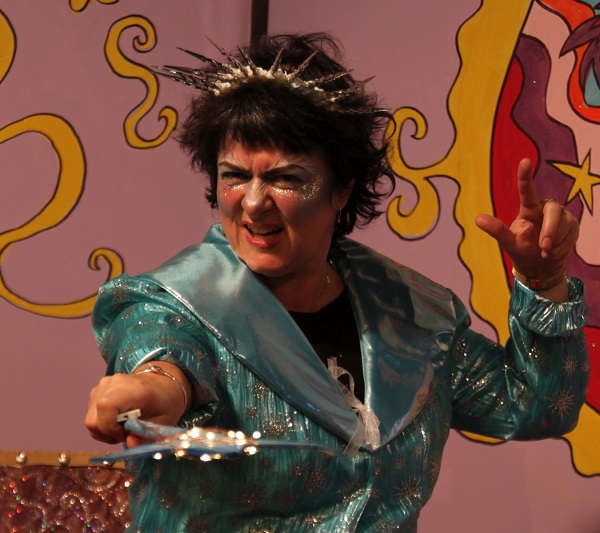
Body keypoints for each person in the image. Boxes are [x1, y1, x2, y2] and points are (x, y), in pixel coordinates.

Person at [85, 33, 589, 532]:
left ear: (342, 189)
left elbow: (537, 408)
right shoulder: (172, 304)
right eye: (234, 176)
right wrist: (158, 387)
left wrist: (544, 282)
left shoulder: (413, 314)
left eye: (285, 178)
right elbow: (163, 355)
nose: (253, 203)